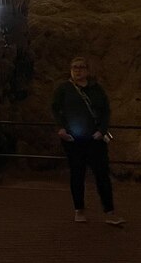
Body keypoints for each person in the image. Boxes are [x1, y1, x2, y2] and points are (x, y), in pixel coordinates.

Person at [52, 56, 125, 226]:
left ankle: (110, 212)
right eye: (75, 67)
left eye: (81, 67)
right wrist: (61, 128)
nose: (78, 70)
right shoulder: (64, 89)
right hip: (73, 139)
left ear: (87, 70)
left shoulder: (96, 89)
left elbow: (105, 110)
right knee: (77, 174)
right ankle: (79, 210)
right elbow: (55, 109)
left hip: (95, 138)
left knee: (102, 175)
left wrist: (102, 130)